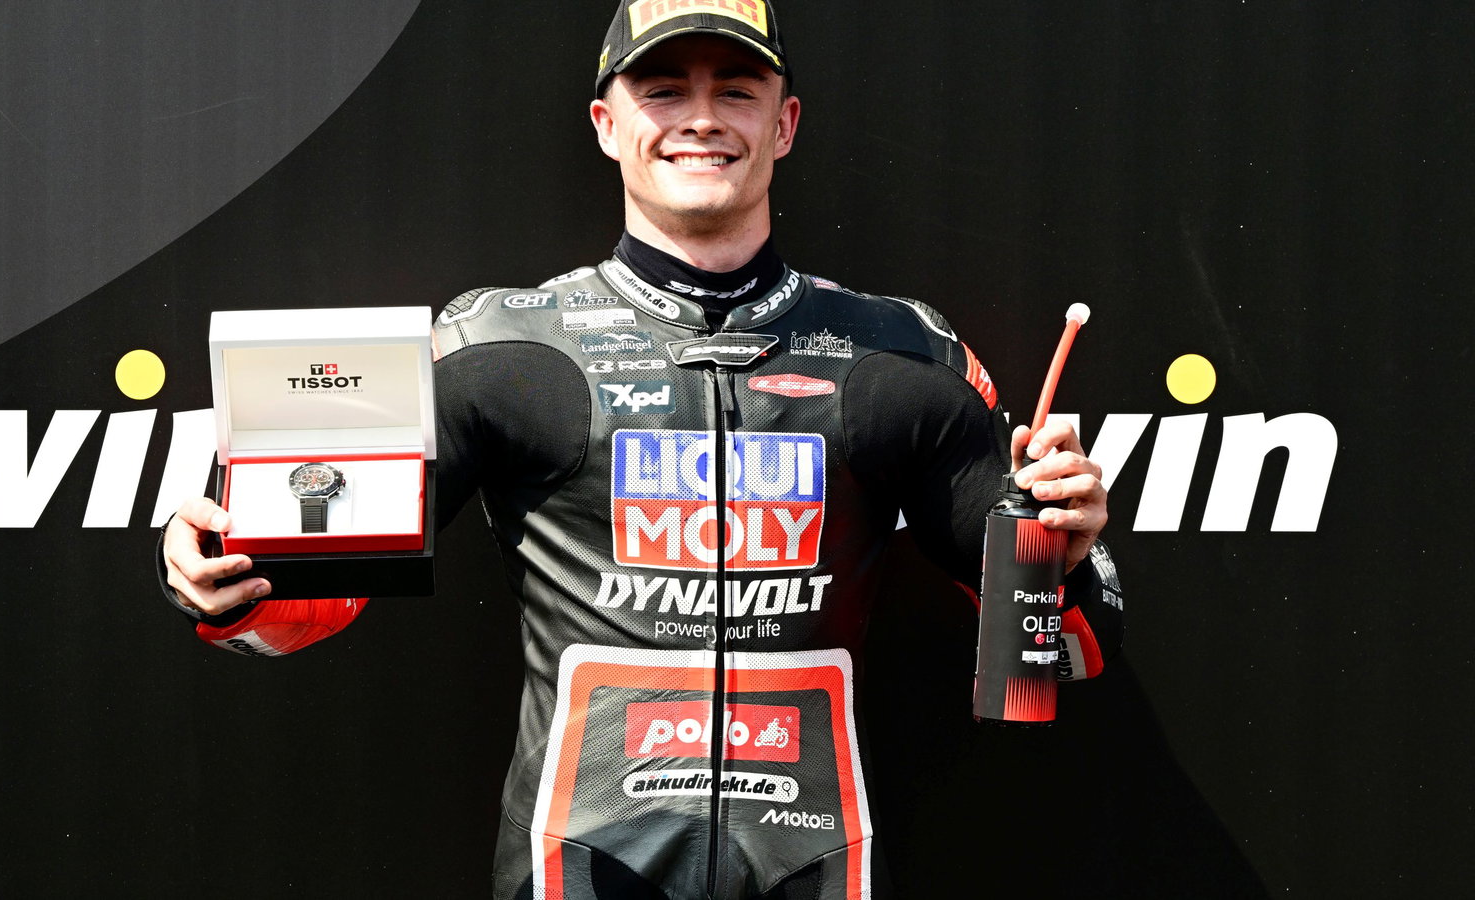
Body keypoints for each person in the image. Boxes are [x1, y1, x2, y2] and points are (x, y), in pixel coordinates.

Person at [161, 2, 1123, 897]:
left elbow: (1064, 657)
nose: (701, 119)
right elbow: (295, 608)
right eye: (663, 89)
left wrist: (1065, 559)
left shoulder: (905, 354)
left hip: (818, 862)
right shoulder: (503, 348)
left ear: (784, 124)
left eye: (735, 90)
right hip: (578, 864)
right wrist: (221, 575)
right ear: (605, 124)